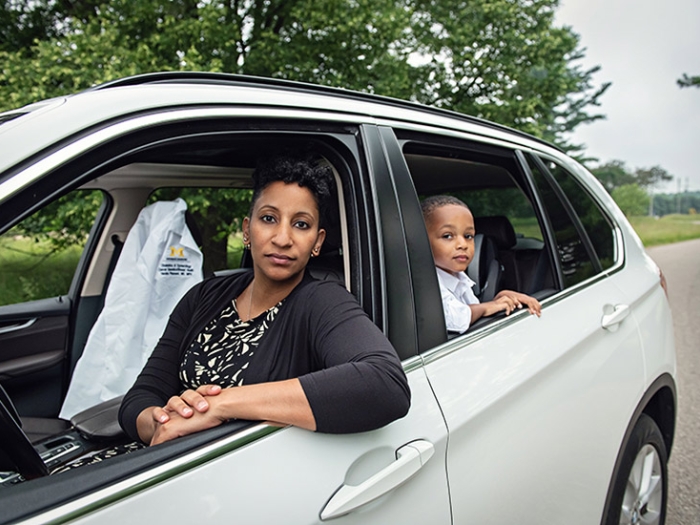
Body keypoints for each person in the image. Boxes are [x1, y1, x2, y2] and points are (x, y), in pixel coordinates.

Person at [119, 152, 410, 446]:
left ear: (318, 241)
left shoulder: (322, 301)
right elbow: (140, 397)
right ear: (247, 230)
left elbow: (386, 385)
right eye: (269, 219)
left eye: (301, 224)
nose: (282, 239)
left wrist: (221, 405)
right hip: (156, 457)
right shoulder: (203, 295)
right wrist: (163, 422)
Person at [421, 195, 541, 334]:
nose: (463, 244)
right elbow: (455, 319)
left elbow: (473, 313)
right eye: (447, 236)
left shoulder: (460, 279)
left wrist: (499, 299)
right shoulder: (426, 283)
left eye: (468, 236)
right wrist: (486, 307)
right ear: (422, 241)